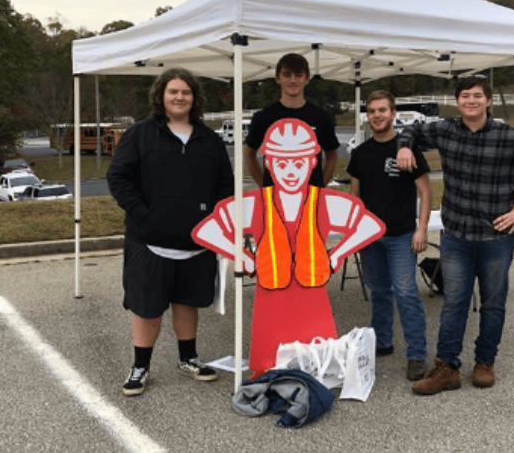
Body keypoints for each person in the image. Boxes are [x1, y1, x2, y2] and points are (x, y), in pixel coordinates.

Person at [396, 75, 514, 394]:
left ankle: (485, 361)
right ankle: (447, 368)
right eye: (465, 96)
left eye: (477, 95)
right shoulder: (445, 130)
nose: (471, 100)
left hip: (497, 239)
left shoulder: (509, 136)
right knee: (454, 302)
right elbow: (411, 130)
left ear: (488, 100)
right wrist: (404, 147)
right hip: (457, 236)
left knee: (493, 303)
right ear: (457, 101)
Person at [193, 118, 385, 378]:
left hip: (313, 298)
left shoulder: (323, 201)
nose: (291, 172)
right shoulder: (256, 203)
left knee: (319, 365)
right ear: (269, 164)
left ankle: (317, 375)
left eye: (299, 163)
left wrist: (336, 254)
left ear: (312, 163)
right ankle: (268, 373)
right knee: (267, 364)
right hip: (270, 299)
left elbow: (370, 225)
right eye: (282, 164)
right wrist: (244, 258)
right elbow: (207, 230)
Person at [107, 68, 234, 396]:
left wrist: (213, 220)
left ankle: (188, 359)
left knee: (187, 301)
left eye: (186, 92)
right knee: (146, 306)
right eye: (173, 91)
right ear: (161, 96)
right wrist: (143, 214)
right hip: (149, 241)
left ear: (195, 98)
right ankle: (140, 366)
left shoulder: (209, 140)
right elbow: (118, 178)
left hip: (196, 242)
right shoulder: (141, 134)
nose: (180, 97)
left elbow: (225, 185)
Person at [346, 90, 432, 381]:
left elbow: (425, 192)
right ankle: (382, 342)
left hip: (401, 236)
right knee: (379, 292)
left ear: (393, 113)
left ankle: (417, 354)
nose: (377, 115)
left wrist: (421, 229)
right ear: (367, 116)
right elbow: (355, 198)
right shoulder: (360, 154)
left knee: (406, 293)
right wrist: (354, 234)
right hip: (371, 238)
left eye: (382, 110)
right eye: (372, 111)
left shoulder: (407, 149)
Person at [244, 53, 340, 188]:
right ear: (278, 78)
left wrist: (320, 186)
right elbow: (249, 153)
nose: (293, 80)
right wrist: (265, 186)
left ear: (307, 78)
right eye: (287, 75)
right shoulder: (263, 117)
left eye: (298, 75)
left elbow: (332, 154)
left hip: (311, 197)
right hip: (275, 197)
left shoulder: (321, 117)